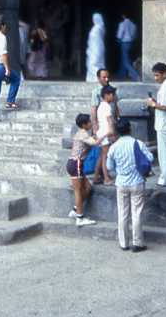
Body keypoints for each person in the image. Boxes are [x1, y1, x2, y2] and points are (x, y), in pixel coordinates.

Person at [105, 117, 154, 253]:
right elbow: (150, 158)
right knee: (136, 213)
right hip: (137, 181)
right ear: (130, 129)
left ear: (117, 131)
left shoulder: (114, 147)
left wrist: (120, 170)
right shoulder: (138, 143)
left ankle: (124, 243)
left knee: (123, 213)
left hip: (121, 183)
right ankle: (137, 243)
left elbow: (109, 167)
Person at [145, 61, 166, 187]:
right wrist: (155, 102)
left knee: (165, 153)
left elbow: (165, 106)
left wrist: (152, 104)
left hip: (165, 124)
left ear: (164, 74)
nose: (155, 78)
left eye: (157, 75)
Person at [65, 114, 99, 227]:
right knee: (78, 191)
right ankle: (80, 217)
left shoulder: (82, 133)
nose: (91, 123)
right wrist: (105, 134)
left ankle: (75, 210)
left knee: (88, 188)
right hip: (76, 163)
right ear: (84, 124)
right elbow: (95, 143)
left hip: (76, 164)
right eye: (89, 122)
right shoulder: (83, 134)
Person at [0, 19, 21, 124]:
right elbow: (3, 54)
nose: (6, 29)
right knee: (16, 79)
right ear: (2, 26)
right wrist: (7, 68)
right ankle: (10, 101)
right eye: (5, 27)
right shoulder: (2, 37)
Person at [93, 84, 118, 185]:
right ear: (107, 95)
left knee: (102, 156)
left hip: (101, 133)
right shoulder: (107, 106)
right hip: (106, 134)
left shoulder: (101, 106)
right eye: (113, 95)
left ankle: (95, 177)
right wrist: (112, 133)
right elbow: (110, 121)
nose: (114, 97)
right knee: (105, 157)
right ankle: (106, 178)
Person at [115, 13, 140, 81]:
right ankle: (121, 74)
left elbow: (119, 35)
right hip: (131, 43)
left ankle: (136, 75)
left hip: (124, 43)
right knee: (126, 59)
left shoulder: (122, 24)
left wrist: (118, 40)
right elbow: (135, 36)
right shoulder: (133, 25)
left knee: (126, 61)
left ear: (123, 16)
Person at [85, 13, 106, 82]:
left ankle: (98, 77)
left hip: (96, 48)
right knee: (93, 63)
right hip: (93, 47)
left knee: (94, 63)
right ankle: (94, 78)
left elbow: (96, 40)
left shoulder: (98, 28)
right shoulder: (99, 27)